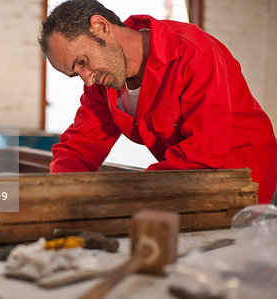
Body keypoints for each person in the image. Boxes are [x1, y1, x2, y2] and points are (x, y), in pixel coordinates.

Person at [38, 0, 277, 204]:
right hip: (185, 179)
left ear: (100, 26)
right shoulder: (103, 81)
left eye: (82, 61)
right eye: (75, 74)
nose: (87, 80)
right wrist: (61, 192)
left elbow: (202, 155)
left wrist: (124, 194)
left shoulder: (193, 53)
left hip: (243, 178)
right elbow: (80, 145)